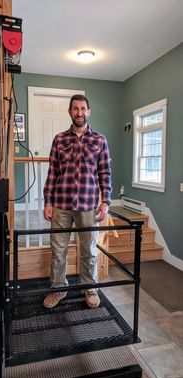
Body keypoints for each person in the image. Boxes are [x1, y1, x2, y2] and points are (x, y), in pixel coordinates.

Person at [43, 94, 112, 309]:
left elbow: (105, 173)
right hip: (61, 204)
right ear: (70, 112)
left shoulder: (100, 140)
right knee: (58, 250)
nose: (79, 113)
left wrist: (105, 201)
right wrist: (48, 201)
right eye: (75, 109)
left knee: (89, 249)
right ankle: (58, 289)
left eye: (83, 108)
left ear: (88, 111)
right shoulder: (59, 139)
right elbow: (52, 173)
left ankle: (90, 288)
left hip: (89, 205)